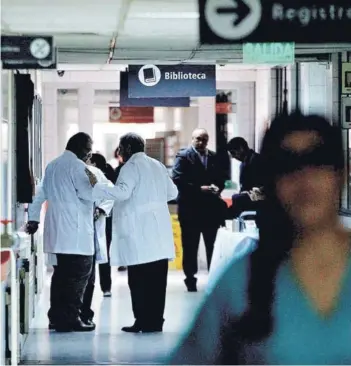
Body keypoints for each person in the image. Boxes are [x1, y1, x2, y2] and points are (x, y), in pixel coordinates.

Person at [168, 112, 351, 364]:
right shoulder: (242, 281)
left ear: (342, 173)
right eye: (287, 166)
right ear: (272, 181)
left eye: (317, 161)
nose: (304, 179)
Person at [86, 133, 178, 333]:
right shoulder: (157, 165)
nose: (119, 152)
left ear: (127, 148)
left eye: (120, 147)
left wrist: (98, 186)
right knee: (157, 281)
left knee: (138, 280)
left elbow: (123, 193)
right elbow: (173, 193)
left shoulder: (130, 167)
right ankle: (155, 322)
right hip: (159, 232)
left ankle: (142, 321)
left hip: (139, 233)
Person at [26, 132, 97, 332]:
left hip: (57, 232)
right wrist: (98, 187)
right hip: (76, 234)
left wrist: (33, 218)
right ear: (81, 148)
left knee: (60, 276)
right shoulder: (79, 168)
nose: (89, 153)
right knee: (78, 276)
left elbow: (39, 195)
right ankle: (71, 319)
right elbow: (89, 194)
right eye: (88, 148)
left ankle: (56, 318)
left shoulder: (53, 165)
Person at [172, 128, 226, 292]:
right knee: (190, 247)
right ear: (192, 139)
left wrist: (218, 187)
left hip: (210, 210)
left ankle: (213, 277)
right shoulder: (183, 156)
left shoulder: (214, 157)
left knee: (212, 245)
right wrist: (199, 189)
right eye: (198, 139)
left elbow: (221, 177)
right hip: (190, 210)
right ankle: (190, 279)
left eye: (204, 139)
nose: (201, 142)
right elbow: (177, 179)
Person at [87, 153, 115, 299]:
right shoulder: (83, 173)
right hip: (90, 221)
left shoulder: (103, 174)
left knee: (103, 254)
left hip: (104, 219)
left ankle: (106, 287)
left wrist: (102, 210)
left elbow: (112, 194)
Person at [227, 137, 264, 218]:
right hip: (250, 196)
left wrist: (250, 192)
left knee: (236, 199)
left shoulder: (258, 160)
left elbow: (262, 184)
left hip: (260, 197)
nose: (233, 157)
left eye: (233, 153)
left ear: (241, 149)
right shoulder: (244, 163)